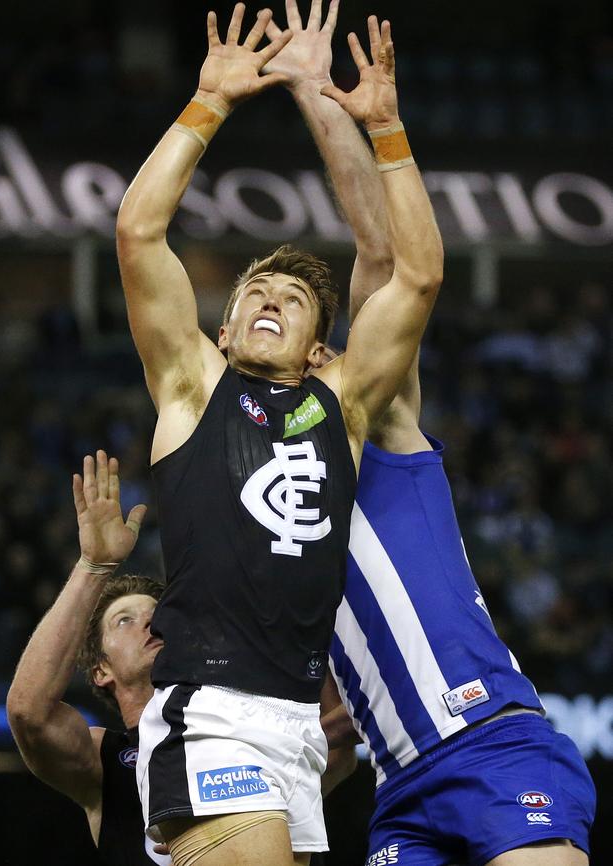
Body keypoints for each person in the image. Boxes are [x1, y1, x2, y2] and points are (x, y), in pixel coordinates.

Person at [115, 4, 442, 865]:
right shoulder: (192, 385)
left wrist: (388, 131)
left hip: (300, 726)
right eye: (254, 293)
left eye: (293, 301)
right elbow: (137, 232)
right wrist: (206, 108)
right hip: (210, 711)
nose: (268, 300)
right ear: (221, 331)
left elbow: (418, 273)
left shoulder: (347, 407)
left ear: (320, 350)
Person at [280, 11, 595, 866]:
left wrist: (320, 93)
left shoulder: (374, 422)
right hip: (397, 786)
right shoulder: (256, 488)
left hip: (490, 741)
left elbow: (381, 250)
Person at [6, 451, 171, 866]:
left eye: (156, 614)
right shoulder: (104, 758)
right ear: (100, 671)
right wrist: (95, 566)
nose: (148, 624)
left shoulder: (237, 719)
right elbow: (29, 712)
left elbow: (335, 739)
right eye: (125, 621)